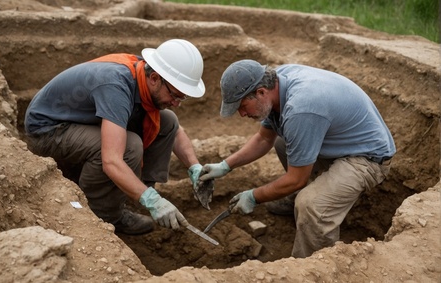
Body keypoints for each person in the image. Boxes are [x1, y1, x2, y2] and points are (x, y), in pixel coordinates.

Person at [200, 59, 396, 258]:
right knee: (282, 143)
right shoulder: (276, 81)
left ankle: (313, 266)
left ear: (260, 92)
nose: (242, 114)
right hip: (340, 143)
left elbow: (296, 179)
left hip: (367, 158)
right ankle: (303, 195)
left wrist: (254, 196)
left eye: (242, 106)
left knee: (310, 205)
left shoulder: (301, 108)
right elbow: (263, 138)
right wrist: (225, 165)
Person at [24, 39, 207, 235]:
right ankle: (104, 216)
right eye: (175, 95)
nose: (177, 103)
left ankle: (135, 191)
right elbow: (111, 160)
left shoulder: (142, 73)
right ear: (155, 78)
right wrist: (153, 201)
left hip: (78, 120)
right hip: (48, 130)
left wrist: (195, 167)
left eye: (182, 98)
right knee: (130, 146)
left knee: (168, 121)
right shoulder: (116, 86)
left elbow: (176, 131)